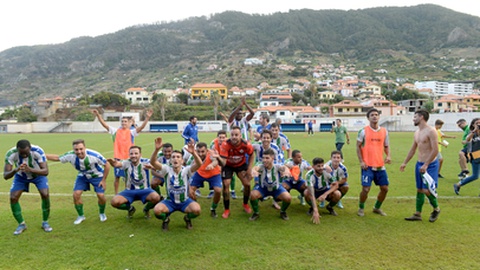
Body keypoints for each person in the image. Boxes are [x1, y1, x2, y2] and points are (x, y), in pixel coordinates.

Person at [46, 139, 111, 224]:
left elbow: (107, 164)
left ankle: (102, 213)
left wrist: (104, 180)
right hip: (83, 175)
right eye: (76, 150)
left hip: (97, 176)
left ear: (85, 148)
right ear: (74, 150)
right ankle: (81, 216)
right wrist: (43, 155)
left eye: (81, 149)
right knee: (76, 194)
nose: (79, 151)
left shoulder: (94, 155)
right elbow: (57, 158)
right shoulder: (71, 155)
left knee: (100, 195)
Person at [93, 109, 152, 195]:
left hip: (129, 158)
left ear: (129, 123)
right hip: (118, 158)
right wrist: (98, 115)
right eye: (122, 121)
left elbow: (141, 128)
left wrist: (147, 118)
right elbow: (105, 125)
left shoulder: (132, 132)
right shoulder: (116, 131)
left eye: (125, 121)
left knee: (128, 177)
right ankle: (116, 194)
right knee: (117, 177)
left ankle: (126, 193)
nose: (124, 123)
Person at [150, 137, 202, 230]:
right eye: (173, 157)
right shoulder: (166, 169)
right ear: (170, 160)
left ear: (182, 161)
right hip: (170, 202)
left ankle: (187, 218)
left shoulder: (186, 170)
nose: (175, 159)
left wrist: (194, 153)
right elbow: (153, 162)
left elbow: (199, 164)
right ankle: (165, 220)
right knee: (157, 211)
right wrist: (156, 149)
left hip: (184, 201)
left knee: (197, 210)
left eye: (178, 157)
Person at [3, 139, 52, 235]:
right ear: (17, 150)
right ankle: (21, 224)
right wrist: (16, 170)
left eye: (26, 153)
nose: (24, 155)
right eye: (21, 154)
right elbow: (5, 175)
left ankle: (45, 222)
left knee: (45, 194)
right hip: (21, 177)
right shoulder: (11, 154)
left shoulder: (38, 151)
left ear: (30, 148)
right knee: (13, 198)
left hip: (38, 176)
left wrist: (30, 169)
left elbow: (45, 171)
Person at [400, 110, 440, 222]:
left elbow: (435, 150)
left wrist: (427, 164)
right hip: (419, 164)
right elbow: (413, 149)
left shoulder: (431, 131)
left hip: (430, 165)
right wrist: (405, 162)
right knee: (419, 189)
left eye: (415, 116)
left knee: (427, 190)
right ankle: (418, 213)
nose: (413, 119)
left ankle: (436, 209)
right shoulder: (417, 132)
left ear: (421, 117)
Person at [107, 146, 161, 219]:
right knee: (114, 202)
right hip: (129, 191)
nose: (133, 155)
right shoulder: (126, 162)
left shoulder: (145, 161)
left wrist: (152, 167)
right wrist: (112, 162)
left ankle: (146, 209)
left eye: (136, 153)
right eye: (131, 154)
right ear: (129, 155)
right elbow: (117, 164)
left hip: (145, 190)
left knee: (156, 198)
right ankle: (130, 209)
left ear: (140, 154)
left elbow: (156, 166)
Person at [356, 108, 391, 217]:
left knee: (385, 189)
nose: (375, 116)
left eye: (376, 114)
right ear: (368, 118)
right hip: (367, 165)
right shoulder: (363, 131)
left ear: (379, 117)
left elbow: (386, 146)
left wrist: (388, 155)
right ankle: (361, 208)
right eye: (372, 115)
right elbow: (358, 146)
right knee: (366, 189)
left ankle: (377, 207)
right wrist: (361, 161)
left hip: (380, 165)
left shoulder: (384, 131)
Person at [218, 126, 255, 218]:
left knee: (247, 184)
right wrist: (219, 162)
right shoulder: (225, 144)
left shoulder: (246, 144)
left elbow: (252, 155)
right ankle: (226, 209)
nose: (234, 137)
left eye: (236, 135)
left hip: (241, 165)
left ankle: (245, 204)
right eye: (232, 135)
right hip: (228, 165)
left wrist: (249, 168)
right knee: (226, 185)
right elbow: (224, 161)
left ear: (240, 135)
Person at [249, 148, 292, 221]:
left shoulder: (277, 166)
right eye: (263, 158)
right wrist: (253, 171)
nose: (264, 160)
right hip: (263, 188)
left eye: (267, 158)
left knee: (288, 198)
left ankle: (282, 212)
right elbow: (255, 168)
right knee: (252, 195)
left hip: (276, 189)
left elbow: (284, 168)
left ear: (272, 158)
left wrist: (287, 171)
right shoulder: (261, 166)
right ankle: (256, 213)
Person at [189, 142, 222, 218]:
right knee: (190, 191)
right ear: (196, 150)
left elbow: (215, 161)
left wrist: (212, 165)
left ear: (206, 151)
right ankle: (195, 206)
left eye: (202, 151)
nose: (200, 154)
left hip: (214, 174)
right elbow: (186, 165)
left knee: (218, 190)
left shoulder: (211, 154)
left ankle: (213, 209)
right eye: (198, 151)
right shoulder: (193, 156)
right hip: (200, 174)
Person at [304, 157, 341, 224]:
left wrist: (325, 194)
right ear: (313, 167)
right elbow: (311, 194)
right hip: (314, 191)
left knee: (337, 194)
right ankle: (313, 207)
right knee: (306, 193)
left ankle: (330, 207)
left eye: (322, 165)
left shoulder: (327, 171)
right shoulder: (309, 175)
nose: (321, 168)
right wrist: (316, 210)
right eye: (318, 166)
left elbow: (336, 185)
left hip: (324, 190)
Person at [454, 118, 480, 196]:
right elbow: (467, 139)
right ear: (473, 124)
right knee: (475, 176)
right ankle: (458, 184)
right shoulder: (472, 133)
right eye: (477, 123)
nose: (479, 124)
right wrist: (474, 130)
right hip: (475, 157)